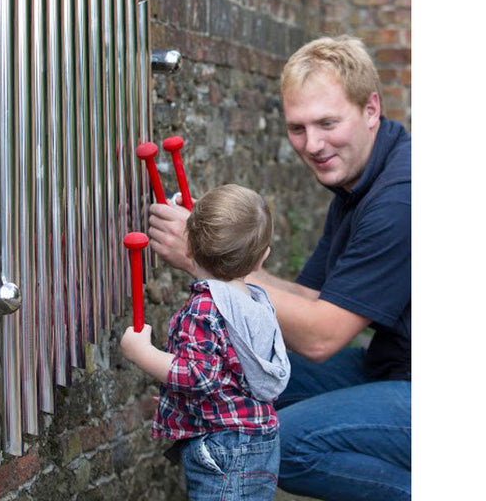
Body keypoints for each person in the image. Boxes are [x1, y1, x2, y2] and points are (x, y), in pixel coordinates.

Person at [147, 35, 411, 501]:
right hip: (393, 369)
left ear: (371, 109)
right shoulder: (359, 181)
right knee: (238, 372)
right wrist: (224, 254)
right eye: (297, 128)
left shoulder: (399, 198)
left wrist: (202, 263)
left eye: (328, 122)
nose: (313, 144)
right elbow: (311, 301)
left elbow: (322, 335)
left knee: (274, 442)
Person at [121, 184, 292, 501]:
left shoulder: (205, 308)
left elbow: (199, 376)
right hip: (259, 438)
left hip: (225, 444)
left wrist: (142, 353)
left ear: (187, 247)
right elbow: (227, 375)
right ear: (261, 260)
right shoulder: (257, 301)